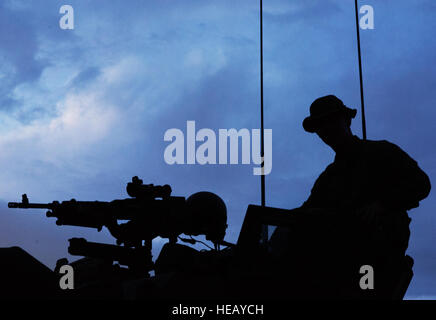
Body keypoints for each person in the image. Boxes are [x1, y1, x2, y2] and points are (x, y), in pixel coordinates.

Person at [270, 95, 431, 298]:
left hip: (375, 257)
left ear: (347, 120)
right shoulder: (328, 177)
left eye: (331, 121)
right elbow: (304, 214)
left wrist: (382, 204)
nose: (326, 129)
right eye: (320, 125)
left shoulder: (382, 152)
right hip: (339, 257)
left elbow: (421, 184)